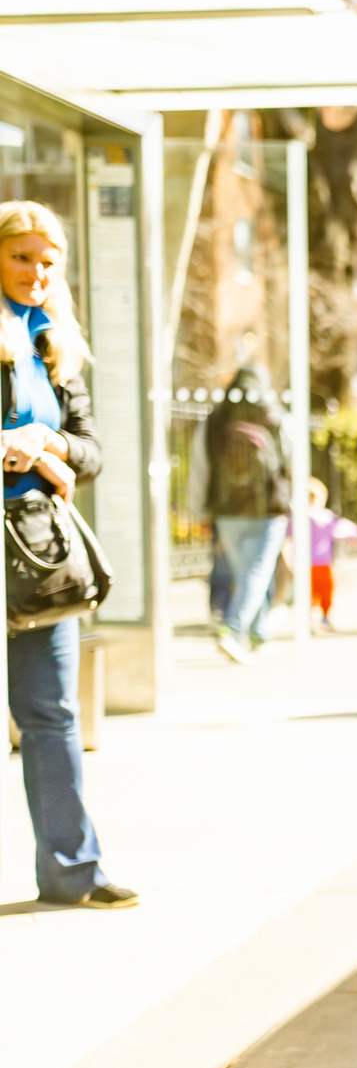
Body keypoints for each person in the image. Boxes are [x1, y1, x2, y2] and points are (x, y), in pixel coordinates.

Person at [0, 201, 136, 909]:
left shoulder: (56, 343)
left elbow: (91, 450)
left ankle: (72, 872)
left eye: (48, 261)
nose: (37, 272)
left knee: (52, 711)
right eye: (23, 256)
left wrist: (48, 445)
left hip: (39, 546)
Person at [189, 363, 293, 663]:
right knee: (256, 572)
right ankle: (232, 631)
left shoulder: (216, 419)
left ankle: (259, 633)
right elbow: (293, 461)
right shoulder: (275, 416)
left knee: (247, 573)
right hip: (269, 508)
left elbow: (200, 467)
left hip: (226, 510)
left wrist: (200, 509)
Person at [307, 478, 357, 632]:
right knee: (326, 590)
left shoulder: (298, 517)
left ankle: (311, 618)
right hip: (323, 561)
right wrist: (354, 535)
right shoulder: (325, 516)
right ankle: (324, 617)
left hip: (305, 563)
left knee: (309, 592)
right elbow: (345, 529)